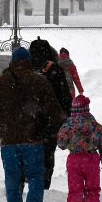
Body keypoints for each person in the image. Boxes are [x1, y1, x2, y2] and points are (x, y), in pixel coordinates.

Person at [0, 47, 65, 202]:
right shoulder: (39, 81)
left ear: (12, 61)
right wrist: (63, 130)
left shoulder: (0, 83)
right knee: (35, 176)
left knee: (12, 177)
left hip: (8, 141)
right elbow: (54, 109)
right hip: (33, 140)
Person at [57, 95, 102, 202]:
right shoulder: (95, 125)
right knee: (92, 190)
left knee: (75, 191)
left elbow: (61, 143)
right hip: (91, 160)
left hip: (74, 160)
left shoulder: (68, 125)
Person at [29, 37, 72, 190]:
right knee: (47, 155)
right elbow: (66, 98)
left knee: (30, 156)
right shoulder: (56, 71)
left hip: (30, 122)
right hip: (51, 123)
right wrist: (67, 118)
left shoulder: (27, 71)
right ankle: (44, 186)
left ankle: (32, 185)